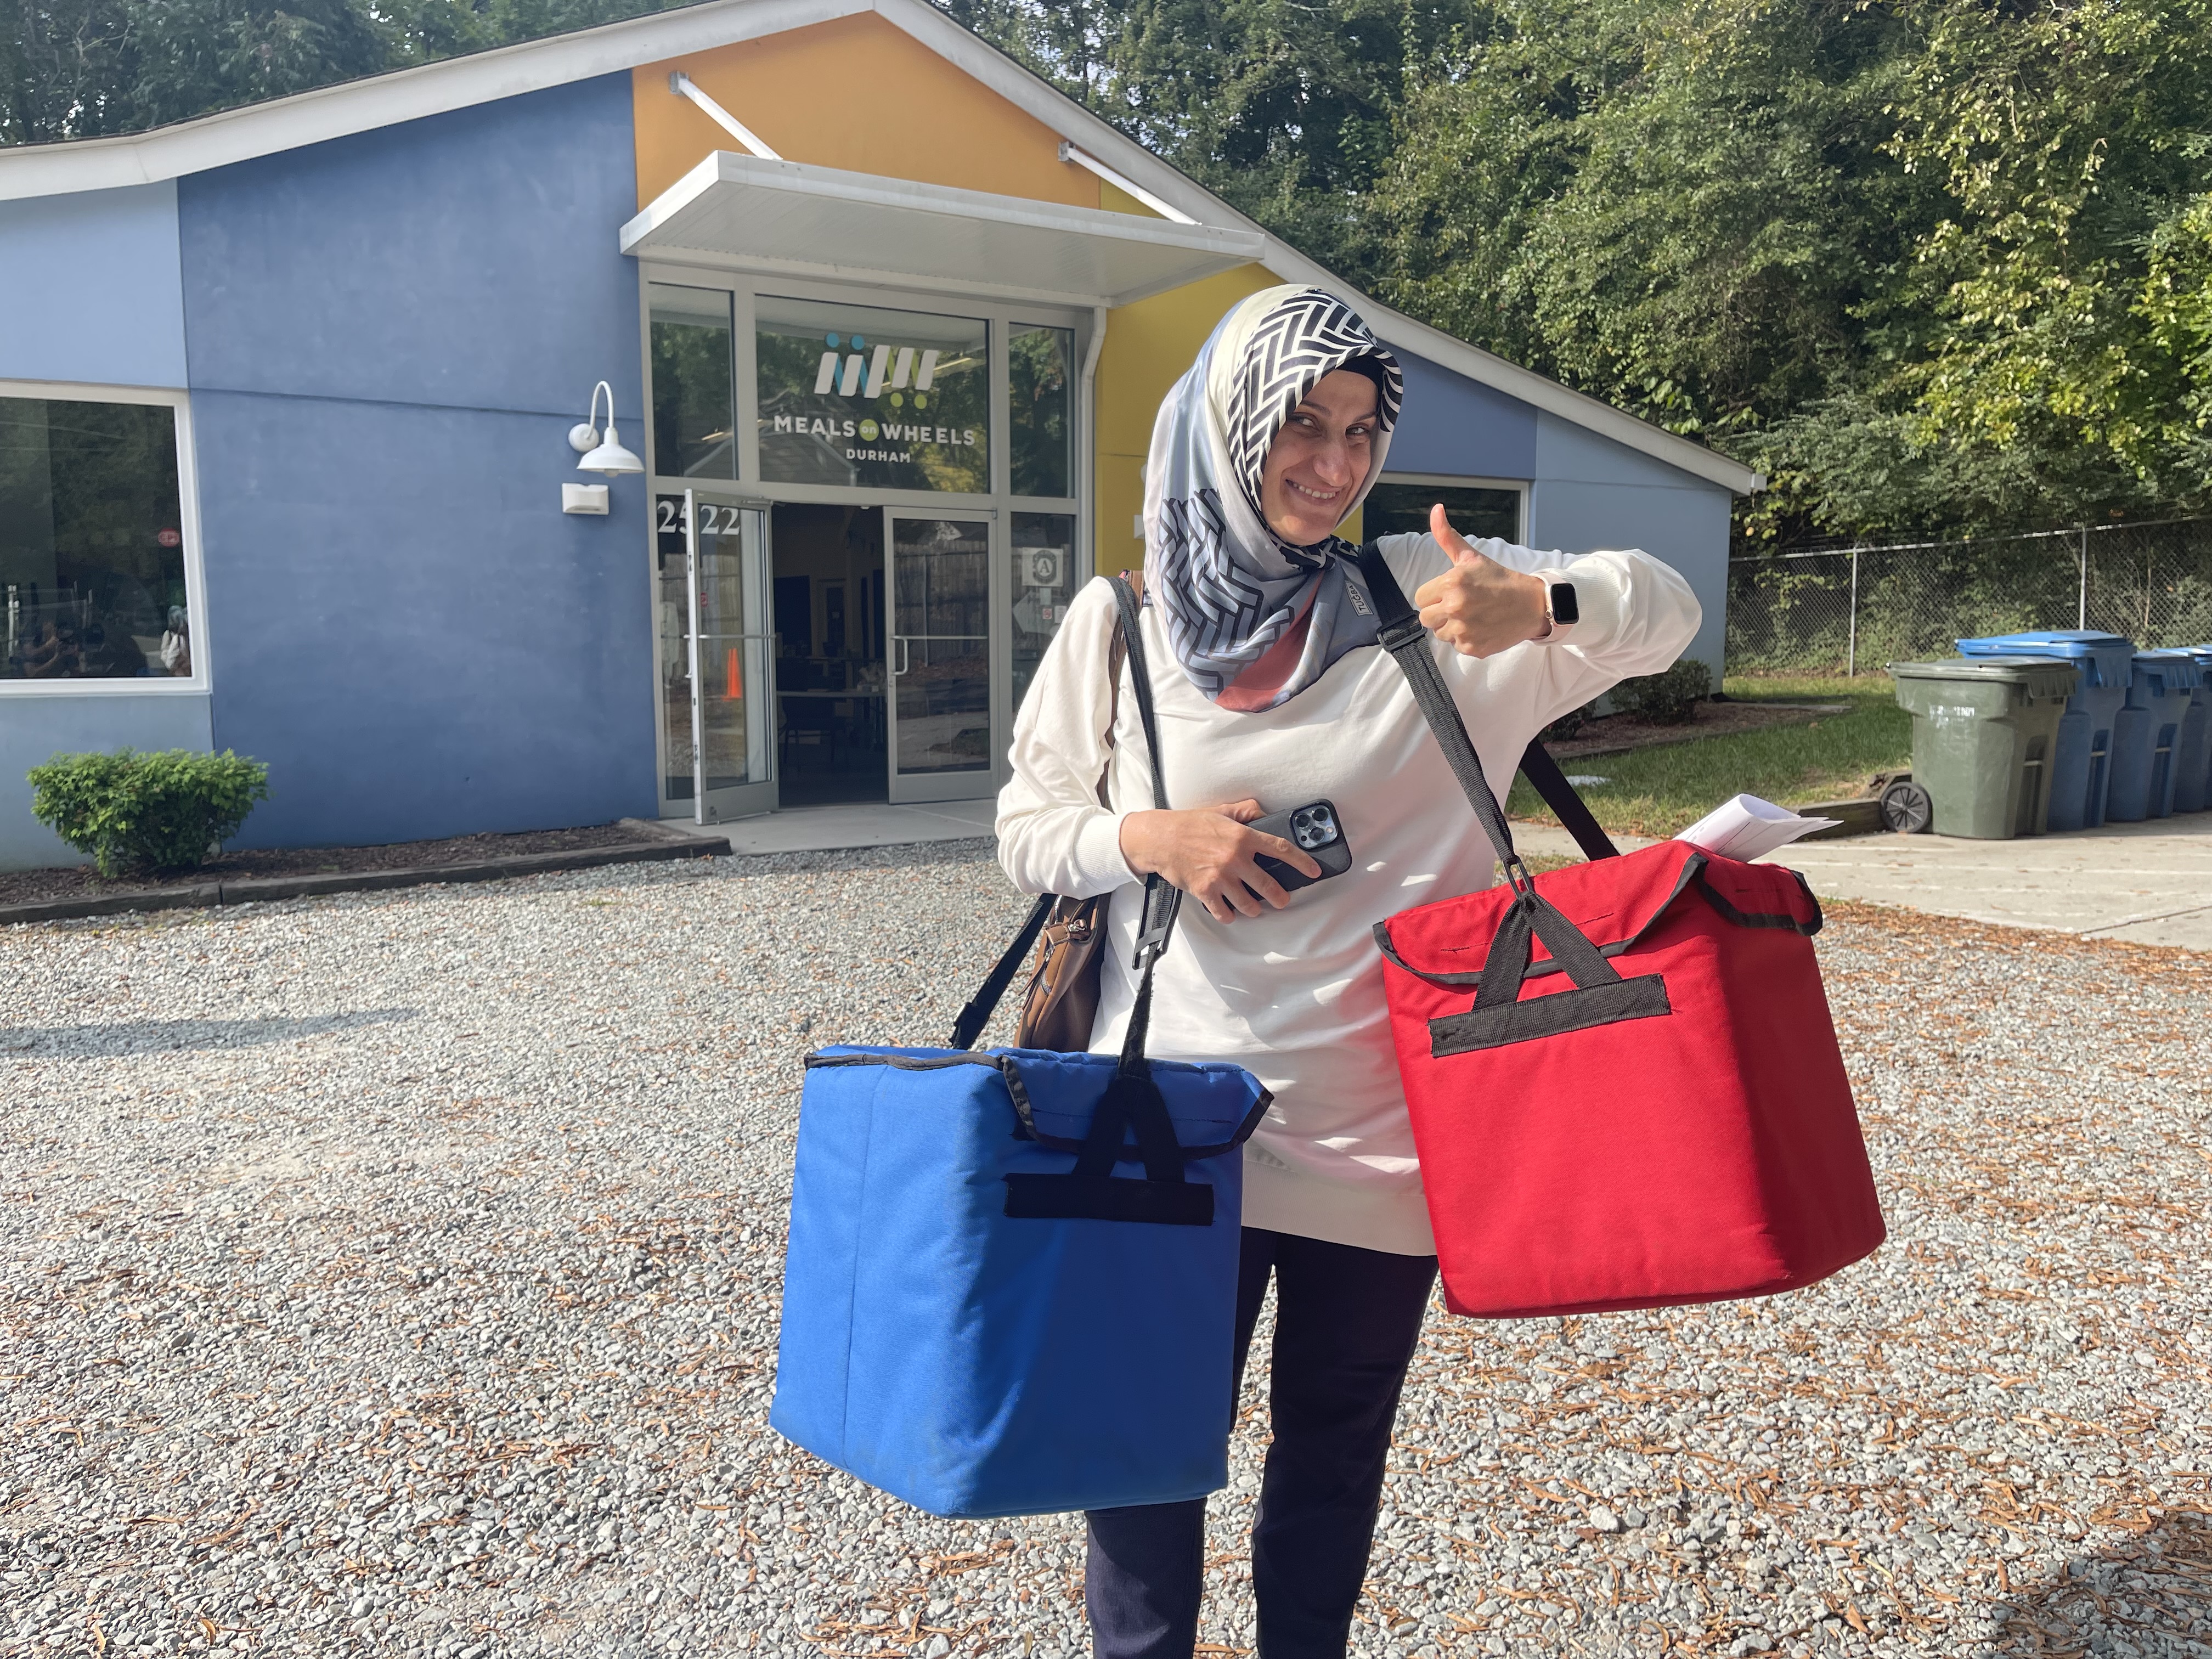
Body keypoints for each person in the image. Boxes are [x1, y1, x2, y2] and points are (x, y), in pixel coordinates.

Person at [995, 285, 1701, 1658]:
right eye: (1298, 428)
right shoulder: (1121, 623)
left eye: (1362, 432)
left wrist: (1546, 603)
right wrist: (1149, 836)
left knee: (1332, 1451)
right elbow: (1027, 830)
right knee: (1146, 1454)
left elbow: (1663, 614)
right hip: (1169, 1129)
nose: (1333, 465)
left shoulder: (1437, 605)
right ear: (1222, 426)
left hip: (1384, 1138)